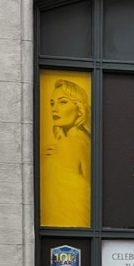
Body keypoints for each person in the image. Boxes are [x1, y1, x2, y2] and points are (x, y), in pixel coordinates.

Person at [40, 77, 92, 226]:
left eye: (63, 102)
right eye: (52, 103)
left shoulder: (70, 144)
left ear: (79, 108)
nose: (54, 108)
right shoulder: (86, 141)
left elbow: (64, 202)